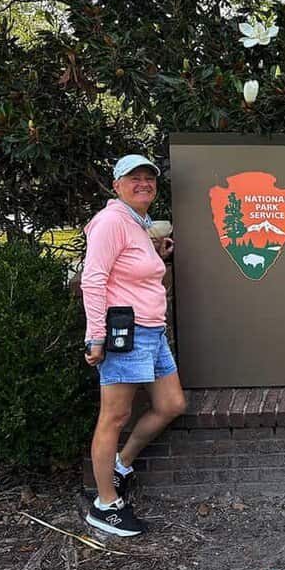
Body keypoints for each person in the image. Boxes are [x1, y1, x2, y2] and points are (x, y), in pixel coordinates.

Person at [80, 154, 186, 536]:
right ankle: (105, 504)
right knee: (114, 417)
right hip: (126, 333)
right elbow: (92, 280)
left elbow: (132, 273)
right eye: (134, 178)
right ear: (117, 185)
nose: (144, 183)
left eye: (149, 178)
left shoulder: (138, 224)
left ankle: (121, 467)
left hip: (152, 332)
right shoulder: (111, 221)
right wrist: (96, 336)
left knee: (171, 404)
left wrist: (158, 257)